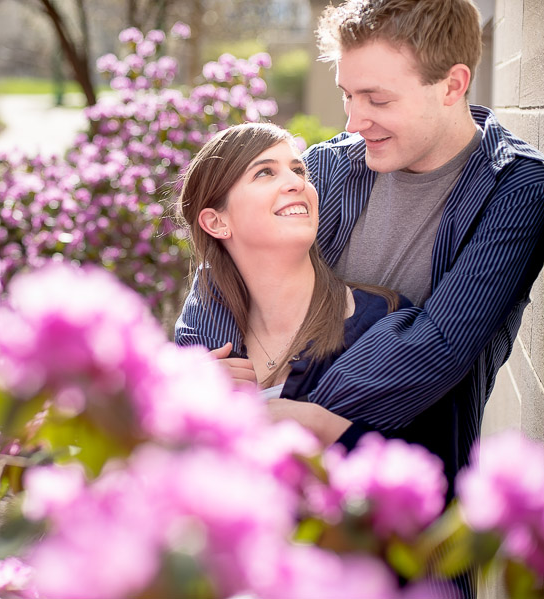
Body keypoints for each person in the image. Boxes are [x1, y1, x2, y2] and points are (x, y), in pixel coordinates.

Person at [176, 0, 544, 548]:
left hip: (402, 513)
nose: (353, 121)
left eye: (377, 99)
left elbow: (436, 351)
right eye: (348, 96)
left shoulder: (513, 189)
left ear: (452, 85)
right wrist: (197, 376)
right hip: (266, 510)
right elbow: (231, 266)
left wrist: (284, 413)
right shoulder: (331, 166)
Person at [178, 122, 419, 452]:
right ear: (217, 222)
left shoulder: (386, 325)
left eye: (298, 170)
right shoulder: (203, 347)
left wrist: (321, 424)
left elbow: (430, 474)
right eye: (264, 173)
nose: (296, 183)